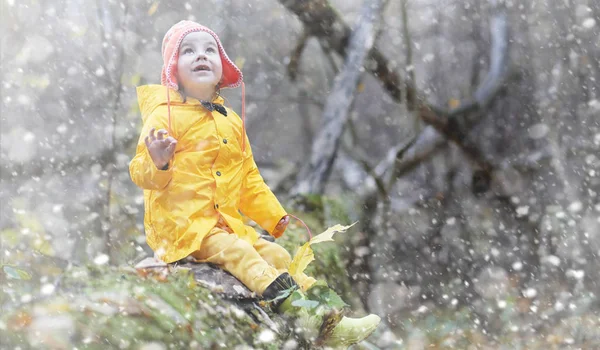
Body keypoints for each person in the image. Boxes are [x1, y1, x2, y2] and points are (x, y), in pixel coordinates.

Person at [129, 20, 380, 347]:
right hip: (183, 228)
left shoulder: (230, 122)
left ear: (222, 68)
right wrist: (159, 161)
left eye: (209, 50)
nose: (200, 56)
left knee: (275, 254)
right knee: (239, 253)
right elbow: (139, 172)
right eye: (187, 51)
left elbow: (247, 176)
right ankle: (306, 320)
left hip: (223, 224)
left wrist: (274, 216)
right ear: (174, 69)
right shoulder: (164, 117)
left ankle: (332, 318)